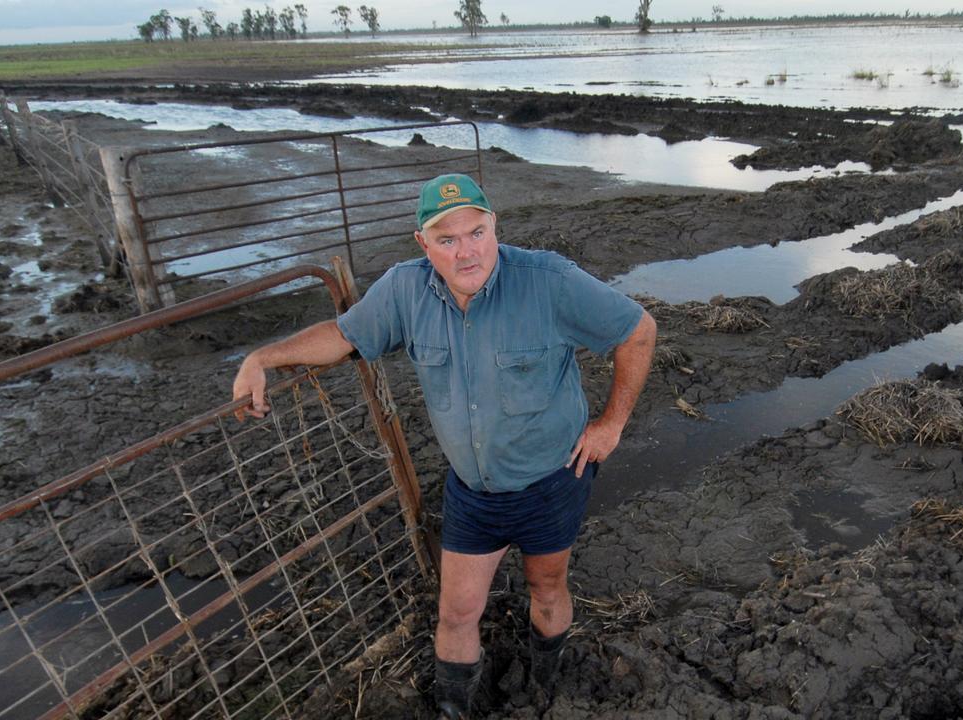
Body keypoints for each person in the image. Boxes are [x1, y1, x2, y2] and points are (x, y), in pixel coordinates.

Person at [232, 173, 655, 718]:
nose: (466, 251)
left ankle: (546, 688)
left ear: (494, 226)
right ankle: (455, 707)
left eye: (476, 232)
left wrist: (610, 424)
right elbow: (343, 335)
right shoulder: (404, 289)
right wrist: (263, 358)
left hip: (552, 481)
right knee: (456, 613)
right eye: (447, 239)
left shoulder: (549, 280)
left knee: (546, 589)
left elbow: (637, 331)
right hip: (473, 493)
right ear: (423, 244)